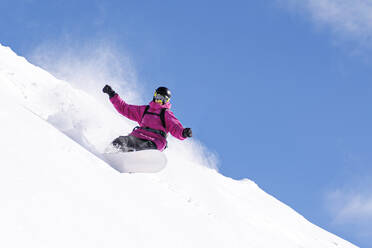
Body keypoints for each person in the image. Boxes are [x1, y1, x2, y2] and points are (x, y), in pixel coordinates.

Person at [103, 85, 192, 152]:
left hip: (154, 141)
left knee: (142, 148)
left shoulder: (165, 113)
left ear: (166, 101)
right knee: (121, 141)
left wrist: (183, 132)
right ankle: (110, 154)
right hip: (138, 136)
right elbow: (125, 108)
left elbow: (175, 127)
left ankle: (137, 158)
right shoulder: (145, 110)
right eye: (157, 96)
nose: (158, 100)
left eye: (161, 99)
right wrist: (112, 94)